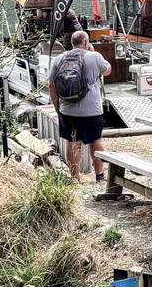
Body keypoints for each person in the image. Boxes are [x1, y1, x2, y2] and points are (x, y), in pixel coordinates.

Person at [47, 31, 112, 180]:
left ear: (72, 43)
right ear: (86, 42)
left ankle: (75, 177)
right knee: (95, 141)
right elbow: (108, 70)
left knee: (74, 143)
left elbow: (51, 85)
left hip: (68, 110)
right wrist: (93, 52)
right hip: (92, 110)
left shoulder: (60, 58)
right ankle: (100, 176)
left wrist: (58, 108)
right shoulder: (94, 57)